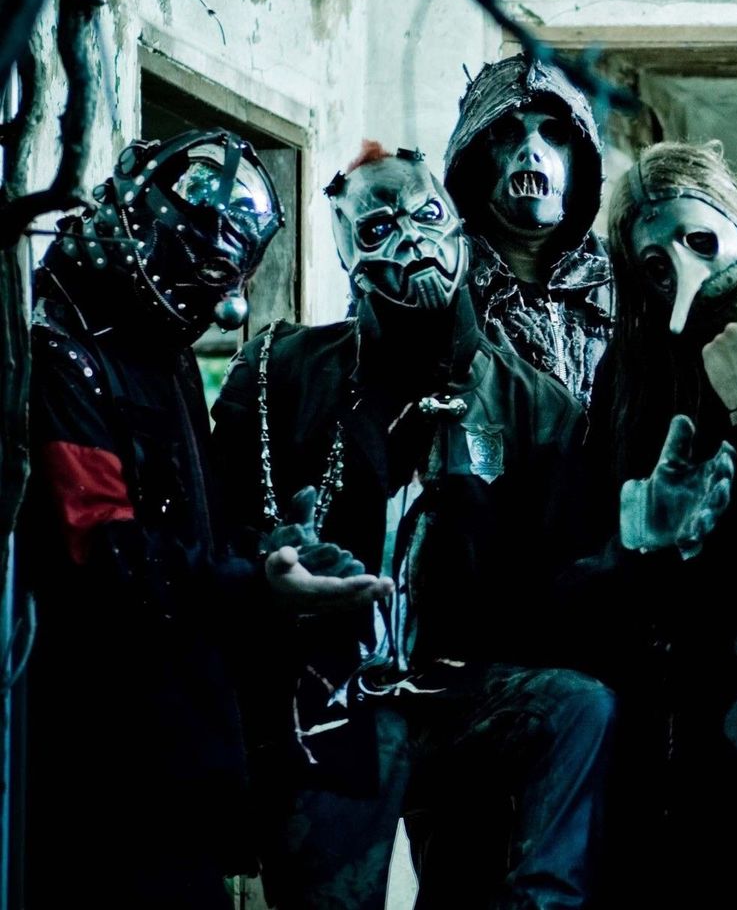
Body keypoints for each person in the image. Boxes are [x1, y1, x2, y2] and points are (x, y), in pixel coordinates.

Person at [211, 142, 613, 910]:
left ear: (457, 224)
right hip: (328, 700)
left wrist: (641, 545)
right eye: (378, 228)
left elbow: (571, 587)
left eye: (427, 214)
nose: (412, 239)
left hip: (463, 696)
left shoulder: (535, 405)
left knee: (580, 706)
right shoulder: (280, 371)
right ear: (348, 256)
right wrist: (273, 563)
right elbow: (221, 531)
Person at [19, 130, 387, 907]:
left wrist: (271, 551)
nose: (224, 300)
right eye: (210, 266)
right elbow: (103, 555)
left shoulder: (160, 350)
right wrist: (257, 584)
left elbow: (194, 528)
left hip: (177, 743)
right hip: (97, 750)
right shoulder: (61, 348)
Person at [562, 141, 737, 904]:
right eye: (657, 266)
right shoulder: (635, 375)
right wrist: (638, 546)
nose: (687, 273)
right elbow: (592, 583)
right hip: (677, 728)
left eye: (700, 240)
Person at [442, 53, 613, 404]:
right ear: (476, 156)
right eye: (507, 131)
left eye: (554, 133)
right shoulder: (440, 283)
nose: (532, 150)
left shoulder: (624, 280)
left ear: (579, 158)